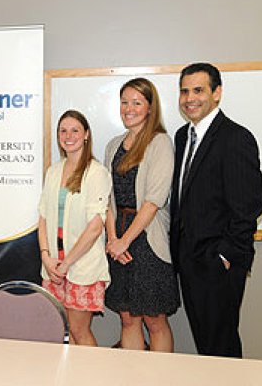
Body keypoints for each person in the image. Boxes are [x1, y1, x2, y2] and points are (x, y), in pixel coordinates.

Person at [169, 63, 262, 358]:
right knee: (206, 345)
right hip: (188, 260)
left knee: (221, 347)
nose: (189, 98)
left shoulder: (236, 137)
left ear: (217, 93)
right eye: (184, 91)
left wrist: (224, 256)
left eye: (198, 90)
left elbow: (250, 205)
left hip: (217, 265)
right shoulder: (183, 136)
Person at [104, 78, 180, 352]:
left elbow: (154, 200)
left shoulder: (160, 142)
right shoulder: (113, 145)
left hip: (148, 238)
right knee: (127, 318)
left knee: (154, 319)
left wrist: (125, 241)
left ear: (150, 107)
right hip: (118, 236)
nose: (129, 108)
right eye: (124, 102)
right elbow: (107, 199)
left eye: (137, 102)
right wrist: (113, 240)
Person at [38, 109, 112, 346]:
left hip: (81, 266)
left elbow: (95, 227)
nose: (68, 136)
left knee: (80, 332)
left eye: (75, 130)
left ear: (86, 134)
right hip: (53, 265)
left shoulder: (96, 173)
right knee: (62, 330)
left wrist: (67, 263)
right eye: (63, 130)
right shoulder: (53, 171)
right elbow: (43, 218)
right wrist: (46, 257)